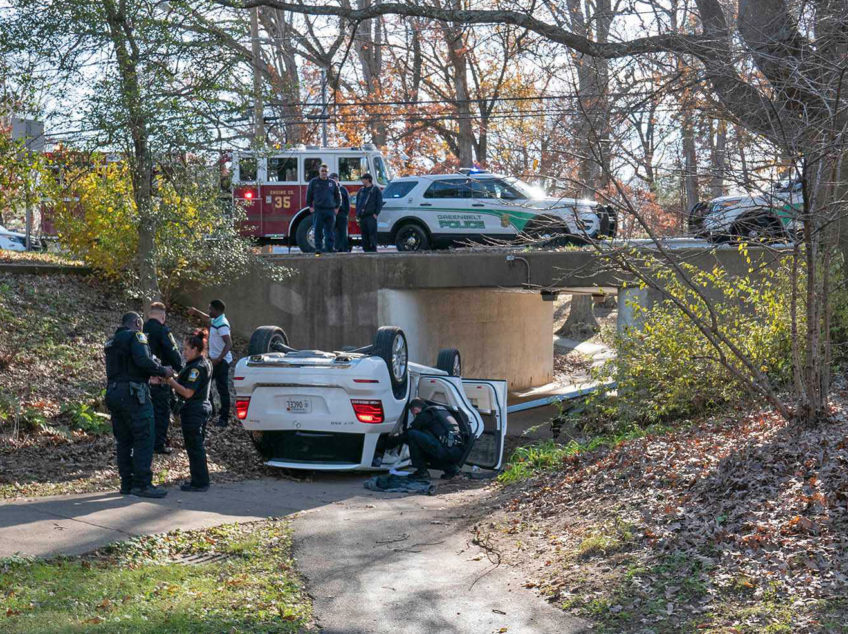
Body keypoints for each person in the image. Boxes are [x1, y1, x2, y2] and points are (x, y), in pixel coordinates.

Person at [104, 311, 174, 498]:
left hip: (113, 392)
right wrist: (162, 370)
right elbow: (143, 360)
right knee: (145, 436)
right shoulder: (137, 336)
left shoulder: (111, 341)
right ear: (136, 322)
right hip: (134, 394)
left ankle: (126, 483)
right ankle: (142, 484)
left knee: (124, 440)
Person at [165, 329, 212, 492]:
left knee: (195, 446)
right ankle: (198, 479)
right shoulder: (198, 364)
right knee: (195, 445)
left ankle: (200, 482)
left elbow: (187, 392)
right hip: (197, 409)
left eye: (186, 349)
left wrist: (169, 380)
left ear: (195, 349)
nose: (183, 352)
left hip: (194, 410)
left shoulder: (197, 368)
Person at [144, 302, 183, 454]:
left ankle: (146, 442)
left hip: (143, 380)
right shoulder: (162, 330)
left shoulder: (141, 330)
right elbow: (173, 353)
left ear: (149, 314)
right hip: (160, 379)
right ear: (163, 316)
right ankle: (158, 444)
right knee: (161, 413)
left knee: (147, 413)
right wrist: (180, 369)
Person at [188, 300, 233, 427]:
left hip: (221, 361)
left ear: (217, 310)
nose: (209, 311)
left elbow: (229, 344)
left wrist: (218, 359)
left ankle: (224, 419)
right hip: (213, 360)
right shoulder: (217, 319)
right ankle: (212, 411)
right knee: (205, 383)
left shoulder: (223, 324)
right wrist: (196, 312)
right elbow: (207, 318)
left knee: (222, 389)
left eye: (210, 309)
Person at [405, 398, 469, 480]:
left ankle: (422, 472)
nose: (413, 414)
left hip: (446, 451)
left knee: (412, 435)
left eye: (412, 412)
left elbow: (409, 432)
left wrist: (390, 442)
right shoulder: (439, 411)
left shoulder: (425, 414)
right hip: (458, 451)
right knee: (433, 445)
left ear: (415, 409)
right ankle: (453, 471)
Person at [305, 163, 341, 253]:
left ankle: (330, 248)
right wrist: (310, 206)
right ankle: (318, 248)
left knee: (329, 231)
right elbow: (309, 195)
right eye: (322, 171)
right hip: (318, 210)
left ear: (327, 172)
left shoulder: (332, 183)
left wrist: (337, 207)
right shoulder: (314, 182)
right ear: (319, 172)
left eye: (325, 171)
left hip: (330, 210)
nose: (324, 173)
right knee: (318, 230)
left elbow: (338, 196)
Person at [355, 173, 383, 253]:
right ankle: (366, 249)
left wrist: (376, 213)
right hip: (362, 216)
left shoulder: (375, 190)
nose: (362, 181)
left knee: (372, 233)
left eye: (363, 179)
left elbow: (379, 202)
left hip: (371, 216)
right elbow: (358, 203)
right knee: (364, 234)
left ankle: (373, 249)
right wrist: (358, 213)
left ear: (368, 179)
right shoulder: (361, 190)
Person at [329, 172, 351, 252]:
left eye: (335, 179)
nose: (334, 181)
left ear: (338, 179)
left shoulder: (343, 189)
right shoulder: (329, 189)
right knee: (333, 233)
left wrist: (345, 213)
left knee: (343, 233)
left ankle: (344, 249)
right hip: (332, 214)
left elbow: (347, 202)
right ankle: (336, 248)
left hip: (342, 214)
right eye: (332, 179)